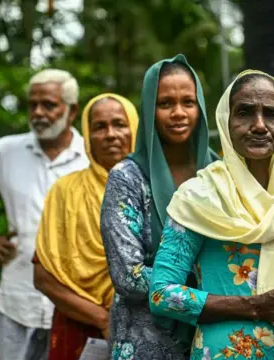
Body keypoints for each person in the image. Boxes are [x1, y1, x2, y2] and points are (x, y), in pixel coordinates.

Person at [149, 70, 274, 360]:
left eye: (271, 114)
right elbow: (161, 295)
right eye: (244, 112)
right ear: (226, 122)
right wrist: (255, 306)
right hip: (224, 352)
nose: (259, 125)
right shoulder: (199, 196)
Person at [0, 69, 89, 360]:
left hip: (78, 300)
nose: (38, 112)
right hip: (18, 294)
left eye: (49, 105)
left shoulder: (92, 155)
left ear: (72, 110)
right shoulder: (5, 151)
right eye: (32, 104)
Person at [100, 54, 218, 359]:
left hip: (212, 335)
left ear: (201, 108)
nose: (178, 113)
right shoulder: (127, 177)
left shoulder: (220, 173)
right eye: (165, 103)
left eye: (188, 102)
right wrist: (213, 292)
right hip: (145, 338)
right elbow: (128, 275)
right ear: (149, 110)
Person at [33, 93, 140, 359]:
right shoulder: (64, 191)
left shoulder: (153, 189)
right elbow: (42, 277)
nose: (111, 134)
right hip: (78, 327)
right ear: (87, 136)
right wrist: (104, 320)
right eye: (99, 127)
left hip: (146, 326)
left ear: (135, 129)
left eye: (119, 124)